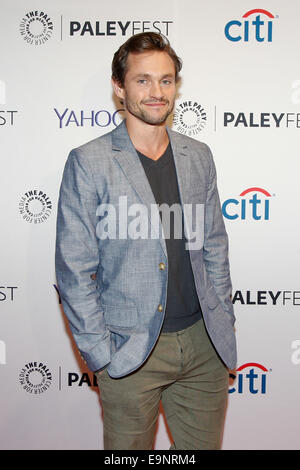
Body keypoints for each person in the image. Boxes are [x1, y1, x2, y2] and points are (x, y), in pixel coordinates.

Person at [55, 32, 237, 450]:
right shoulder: (88, 162)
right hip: (128, 351)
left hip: (203, 346)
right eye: (143, 80)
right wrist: (101, 354)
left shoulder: (199, 155)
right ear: (119, 87)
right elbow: (74, 269)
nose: (157, 93)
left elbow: (214, 247)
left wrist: (223, 320)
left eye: (166, 80)